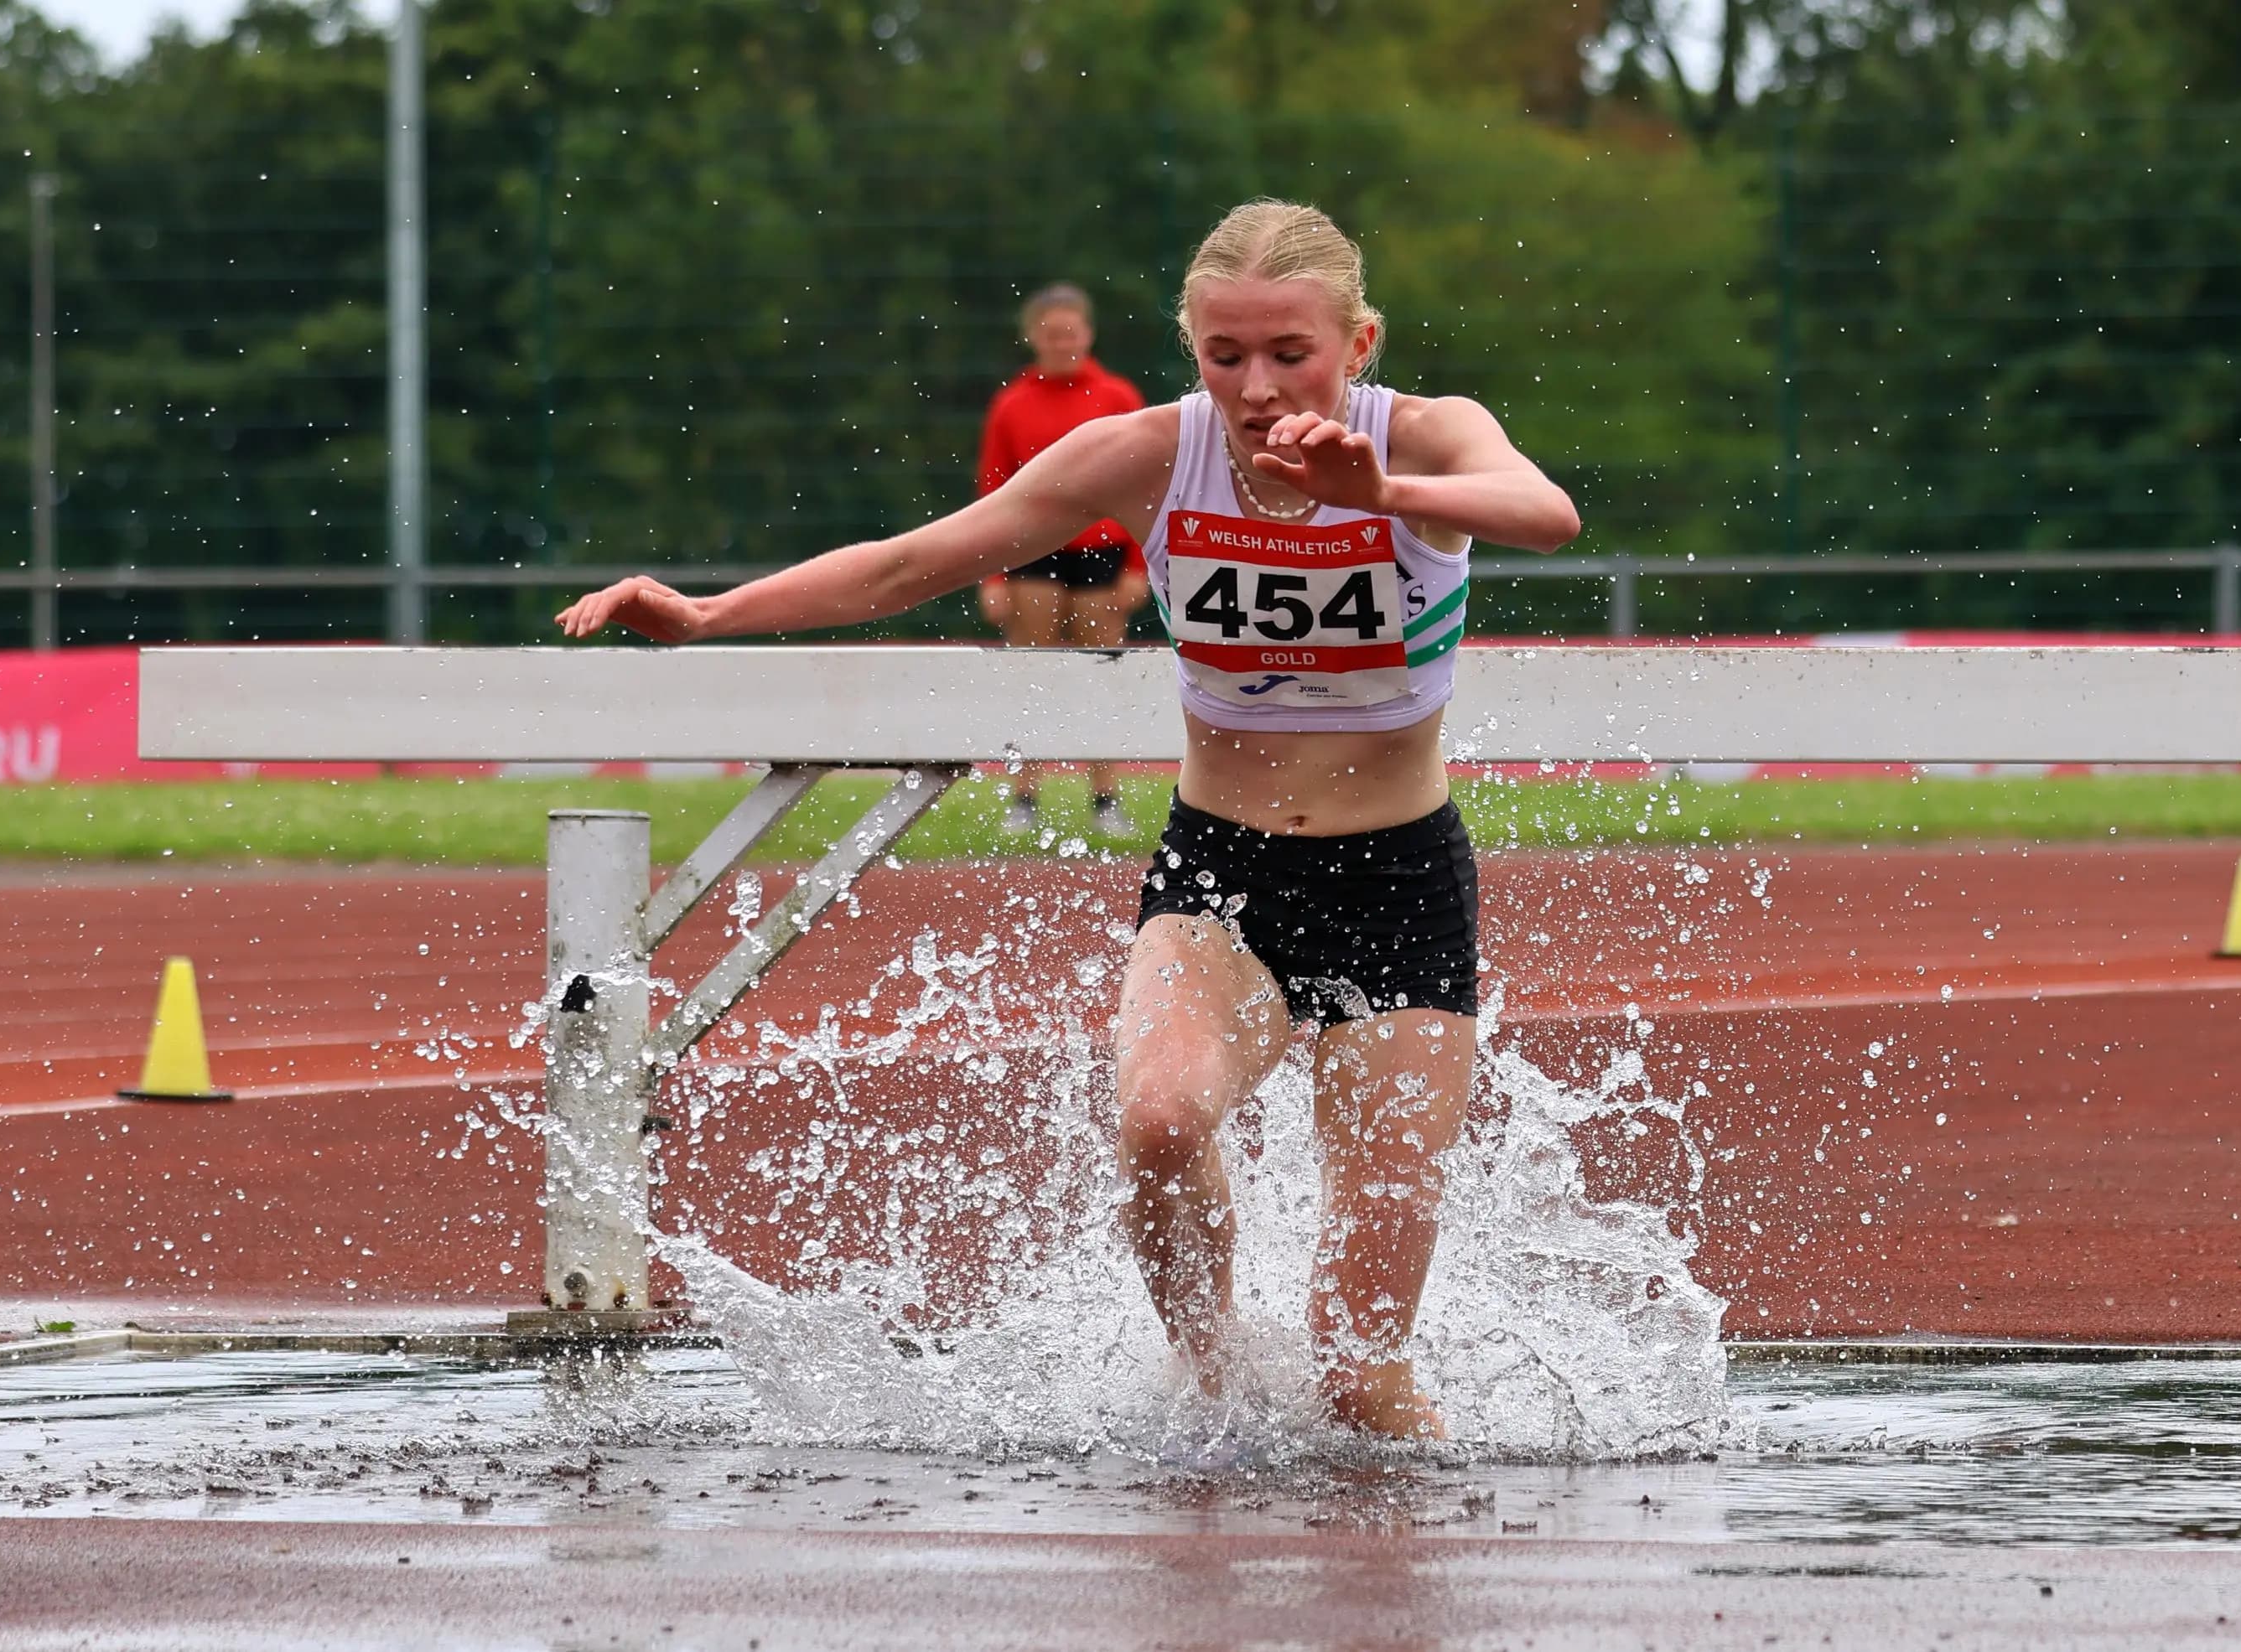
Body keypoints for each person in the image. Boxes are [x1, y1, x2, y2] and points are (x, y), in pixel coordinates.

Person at [557, 199, 1580, 1438]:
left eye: (1289, 354)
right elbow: (913, 560)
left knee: (1359, 1378)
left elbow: (1545, 510)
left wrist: (1387, 487)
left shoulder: (1425, 435)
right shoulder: (1151, 453)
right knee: (1156, 1115)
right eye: (1224, 354)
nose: (1256, 387)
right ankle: (1212, 1392)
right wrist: (710, 614)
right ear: (1191, 346)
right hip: (1225, 871)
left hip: (1400, 884)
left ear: (1356, 342)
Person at [975, 283, 1149, 839]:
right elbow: (992, 489)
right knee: (1032, 675)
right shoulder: (1012, 404)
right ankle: (1024, 797)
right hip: (1031, 551)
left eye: (1071, 331)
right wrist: (992, 572)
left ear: (1088, 333)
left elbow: (1146, 483)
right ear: (1033, 337)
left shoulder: (1118, 396)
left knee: (1100, 675)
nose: (1062, 341)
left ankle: (1105, 797)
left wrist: (1139, 566)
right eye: (1051, 332)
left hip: (1101, 551)